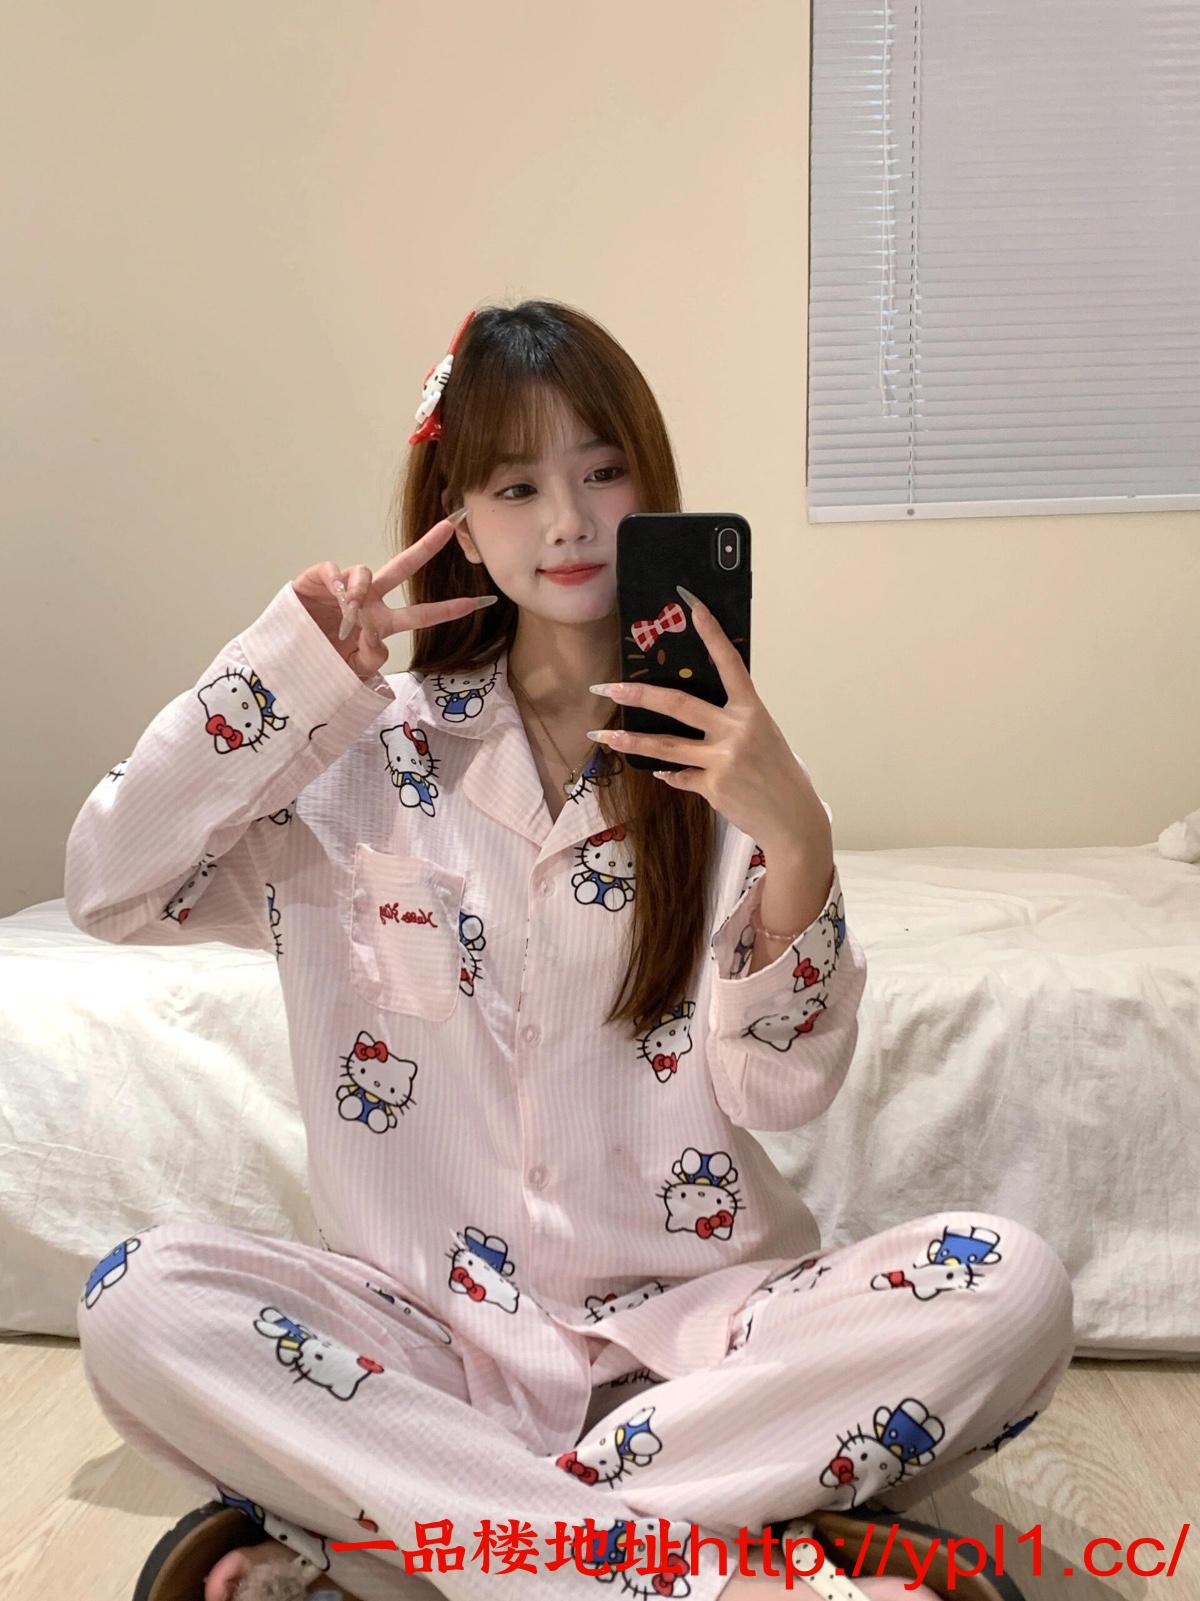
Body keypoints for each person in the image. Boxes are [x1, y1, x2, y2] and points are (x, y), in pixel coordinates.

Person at [65, 300, 1073, 1601]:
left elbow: (779, 1088)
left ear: (652, 485)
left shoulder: (728, 765)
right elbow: (111, 885)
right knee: (142, 1299)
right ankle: (719, 1573)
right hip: (432, 1346)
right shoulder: (353, 746)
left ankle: (428, 1547)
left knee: (1011, 1287)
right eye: (518, 486)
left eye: (603, 472)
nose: (569, 522)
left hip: (695, 1346)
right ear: (459, 515)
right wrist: (288, 672)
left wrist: (800, 844)